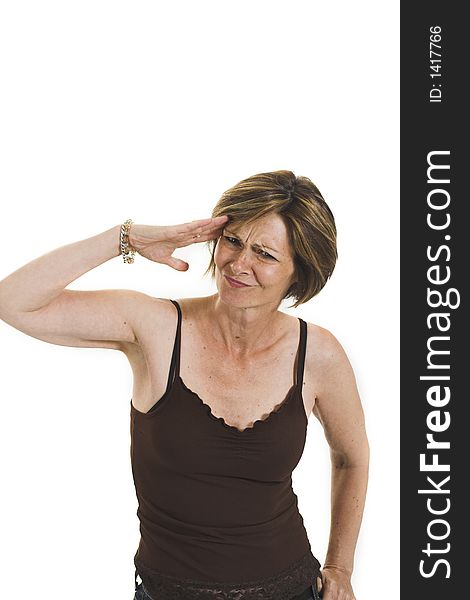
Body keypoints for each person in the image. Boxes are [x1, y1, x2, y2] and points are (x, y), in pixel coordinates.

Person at [0, 170, 369, 600]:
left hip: (291, 588)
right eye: (232, 241)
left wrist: (339, 568)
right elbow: (14, 301)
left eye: (265, 254)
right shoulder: (155, 329)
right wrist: (128, 238)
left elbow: (351, 458)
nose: (238, 264)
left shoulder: (318, 354)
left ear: (299, 272)